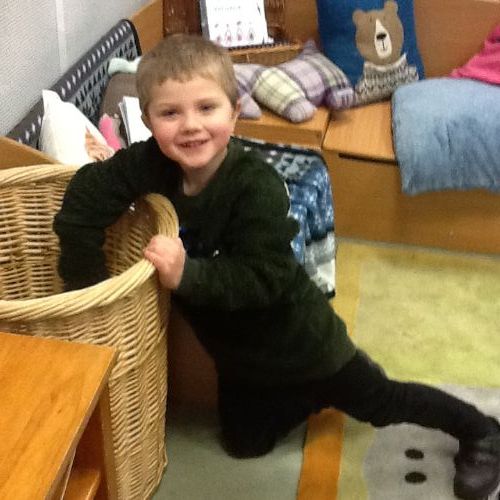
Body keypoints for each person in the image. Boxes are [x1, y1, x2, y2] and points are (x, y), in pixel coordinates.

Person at [53, 34, 500, 500]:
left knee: (382, 402)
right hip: (238, 358)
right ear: (148, 121)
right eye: (170, 113)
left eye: (207, 108)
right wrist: (92, 292)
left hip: (302, 343)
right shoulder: (150, 164)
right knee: (244, 446)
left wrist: (188, 275)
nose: (191, 126)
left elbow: (265, 279)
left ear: (234, 110)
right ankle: (305, 397)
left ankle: (481, 430)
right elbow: (82, 200)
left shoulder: (255, 186)